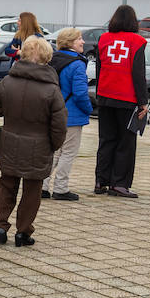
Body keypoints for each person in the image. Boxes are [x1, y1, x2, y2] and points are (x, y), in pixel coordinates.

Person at [0, 37, 67, 246]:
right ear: (46, 58)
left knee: (7, 184)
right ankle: (23, 232)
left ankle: (1, 225)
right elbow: (59, 124)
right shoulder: (51, 89)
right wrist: (54, 144)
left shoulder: (8, 81)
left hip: (10, 141)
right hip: (39, 145)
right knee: (32, 190)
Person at [93, 5, 146, 198]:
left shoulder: (103, 39)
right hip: (127, 98)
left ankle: (100, 181)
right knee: (126, 143)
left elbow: (99, 69)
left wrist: (100, 94)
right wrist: (143, 102)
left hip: (105, 97)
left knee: (106, 140)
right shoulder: (137, 41)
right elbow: (138, 74)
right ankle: (119, 184)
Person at [43, 27, 92, 201]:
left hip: (54, 112)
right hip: (72, 115)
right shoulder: (77, 64)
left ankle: (42, 185)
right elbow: (80, 93)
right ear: (71, 42)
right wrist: (89, 109)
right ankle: (61, 188)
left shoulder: (53, 60)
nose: (83, 42)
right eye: (79, 39)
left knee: (55, 151)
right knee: (68, 153)